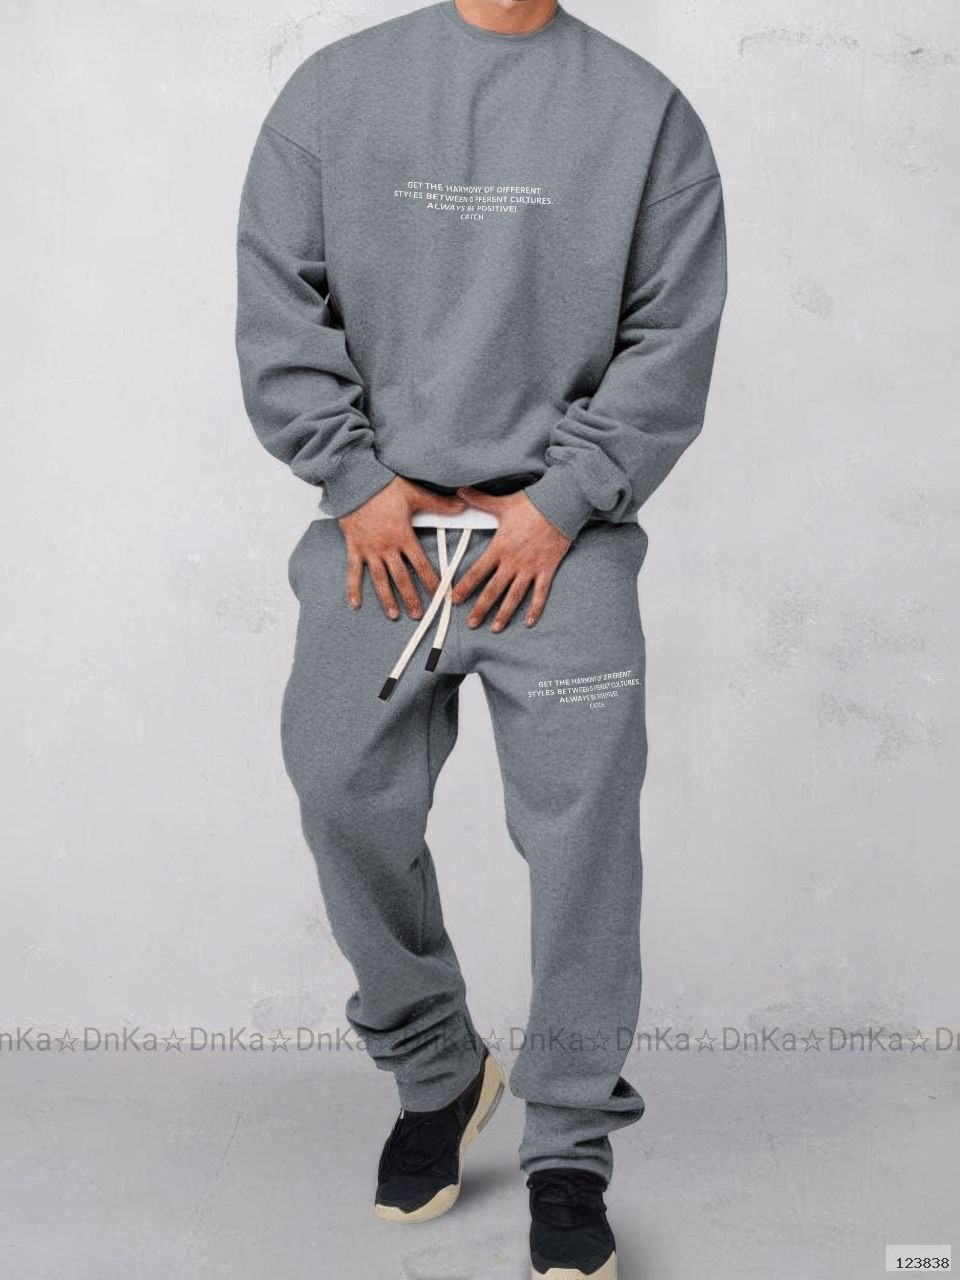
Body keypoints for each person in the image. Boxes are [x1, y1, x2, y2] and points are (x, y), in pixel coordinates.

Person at [235, 0, 727, 1274]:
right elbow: (280, 301)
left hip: (559, 542)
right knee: (340, 791)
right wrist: (351, 478)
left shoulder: (646, 115)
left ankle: (570, 1146)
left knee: (582, 849)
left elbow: (672, 338)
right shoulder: (335, 92)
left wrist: (562, 503)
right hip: (382, 535)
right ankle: (439, 1070)